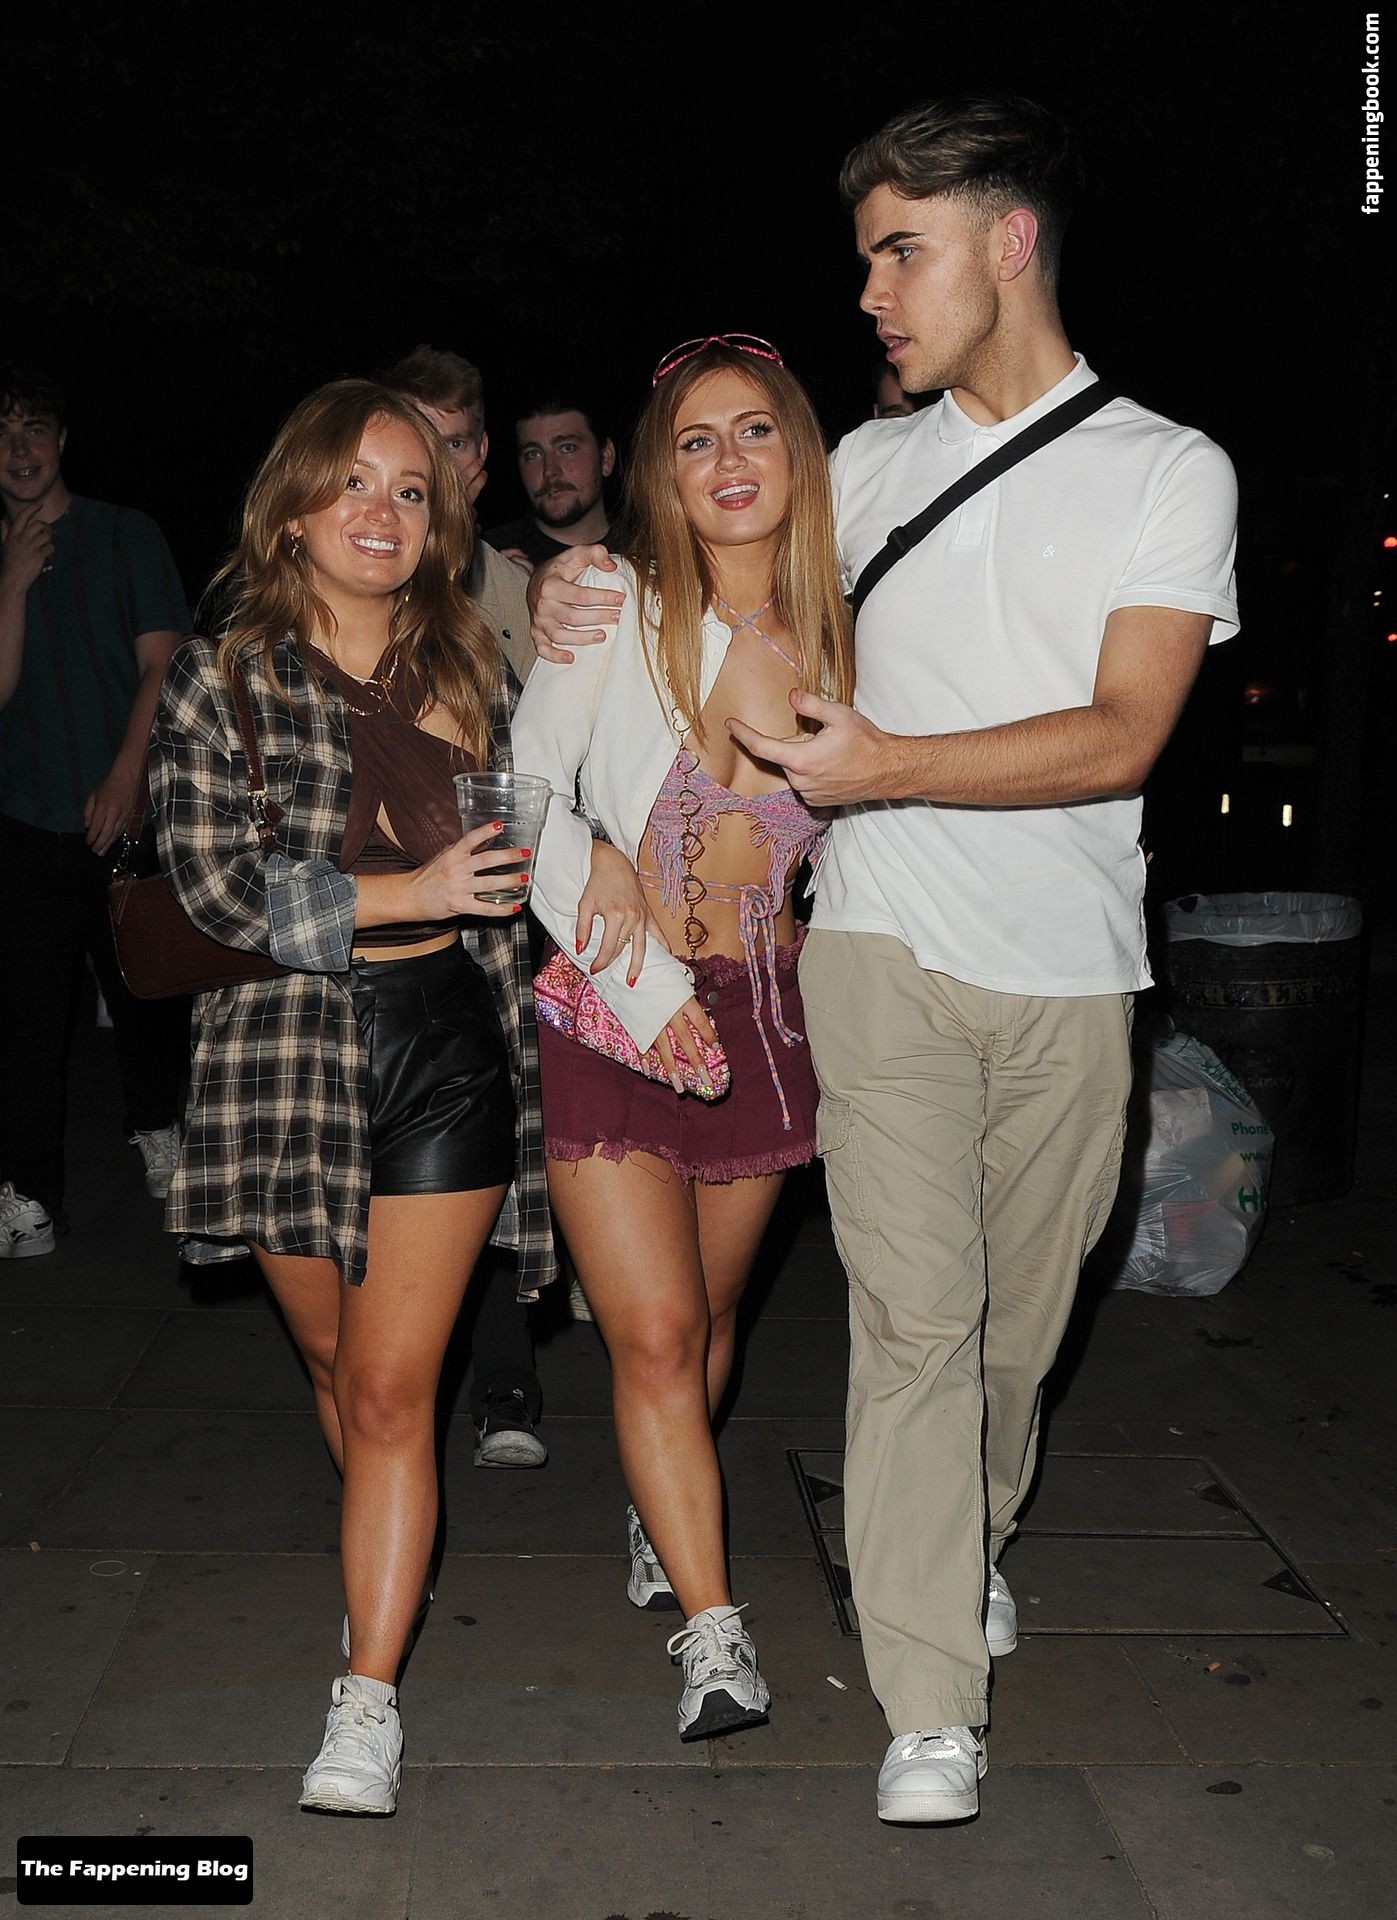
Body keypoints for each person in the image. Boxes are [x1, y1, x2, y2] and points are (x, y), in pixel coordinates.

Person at [527, 96, 1239, 1824]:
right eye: (862, 260)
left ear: (1007, 243)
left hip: (1070, 961)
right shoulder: (862, 467)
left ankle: (962, 1531)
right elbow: (712, 550)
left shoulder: (1169, 469)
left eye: (898, 253)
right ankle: (928, 1700)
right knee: (914, 1323)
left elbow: (1125, 731)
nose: (869, 293)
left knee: (1018, 1327)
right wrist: (574, 585)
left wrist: (883, 763)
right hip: (870, 954)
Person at [149, 379, 559, 1816]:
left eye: (410, 489)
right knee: (337, 1371)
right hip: (281, 1056)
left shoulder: (475, 665)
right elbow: (215, 892)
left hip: (444, 1041)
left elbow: (554, 820)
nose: (382, 512)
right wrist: (410, 886)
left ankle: (366, 1698)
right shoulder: (221, 678)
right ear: (294, 509)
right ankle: (382, 1556)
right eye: (353, 483)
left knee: (391, 1390)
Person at [511, 336, 853, 1741]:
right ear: (661, 468)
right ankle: (716, 1640)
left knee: (705, 1326)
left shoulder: (856, 626)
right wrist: (587, 847)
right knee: (650, 1332)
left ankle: (665, 1503)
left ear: (798, 454)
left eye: (754, 429)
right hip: (618, 999)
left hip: (763, 1021)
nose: (727, 460)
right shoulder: (611, 600)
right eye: (696, 438)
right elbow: (524, 782)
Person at [380, 343, 548, 1469]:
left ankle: (501, 1380)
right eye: (403, 445)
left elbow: (558, 761)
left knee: (490, 1141)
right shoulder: (349, 575)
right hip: (360, 942)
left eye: (445, 447)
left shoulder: (521, 594)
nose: (426, 471)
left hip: (491, 927)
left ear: (478, 459)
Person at [0, 365, 190, 1254]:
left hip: (122, 811)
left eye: (34, 429)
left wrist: (126, 774)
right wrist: (11, 581)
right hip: (19, 819)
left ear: (62, 441)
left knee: (144, 996)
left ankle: (159, 1130)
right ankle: (28, 1194)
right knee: (24, 1019)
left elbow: (164, 661)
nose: (19, 449)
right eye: (3, 434)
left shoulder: (123, 533)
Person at [483, 391, 615, 570]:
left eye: (567, 448)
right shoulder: (485, 563)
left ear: (606, 458)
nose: (549, 470)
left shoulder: (647, 551)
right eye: (533, 454)